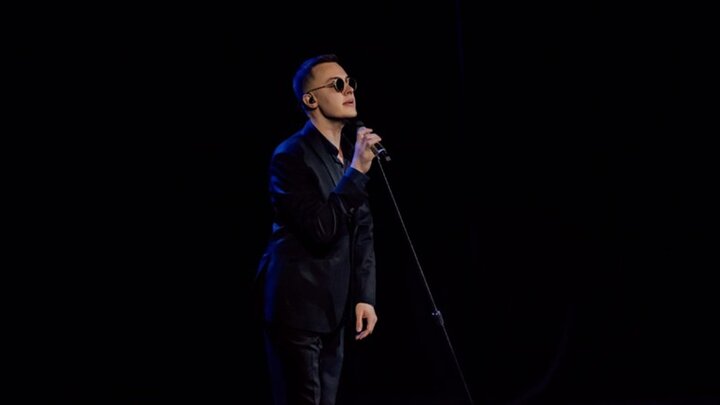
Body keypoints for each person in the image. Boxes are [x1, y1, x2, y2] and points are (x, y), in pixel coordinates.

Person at [254, 54, 381, 405]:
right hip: (297, 307)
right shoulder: (290, 156)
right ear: (310, 99)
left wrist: (365, 295)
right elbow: (320, 230)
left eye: (350, 82)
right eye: (337, 84)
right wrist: (356, 172)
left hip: (332, 310)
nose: (349, 90)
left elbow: (363, 230)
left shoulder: (347, 155)